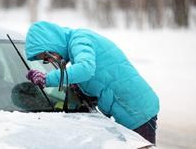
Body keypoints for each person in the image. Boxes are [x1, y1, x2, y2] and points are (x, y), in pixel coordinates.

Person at [25, 21, 159, 144]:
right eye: (45, 61)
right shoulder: (75, 49)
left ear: (52, 43)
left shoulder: (79, 39)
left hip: (139, 111)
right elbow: (98, 76)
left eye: (47, 56)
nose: (50, 61)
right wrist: (77, 87)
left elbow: (86, 69)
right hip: (129, 110)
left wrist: (47, 79)